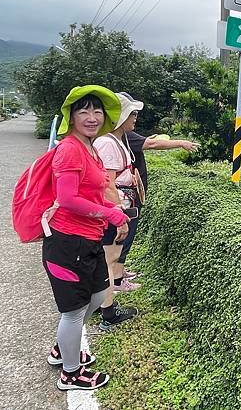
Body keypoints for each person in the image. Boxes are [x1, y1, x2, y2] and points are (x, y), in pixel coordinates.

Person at [43, 85, 129, 391]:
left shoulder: (90, 148)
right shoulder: (69, 149)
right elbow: (67, 199)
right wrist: (111, 214)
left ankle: (61, 349)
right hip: (67, 243)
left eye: (97, 111)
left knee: (94, 297)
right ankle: (70, 373)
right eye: (84, 111)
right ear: (72, 116)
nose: (91, 117)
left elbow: (90, 194)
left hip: (86, 240)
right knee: (74, 311)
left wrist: (113, 210)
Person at [117, 92, 199, 270]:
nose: (136, 117)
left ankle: (118, 274)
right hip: (125, 198)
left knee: (124, 237)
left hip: (130, 195)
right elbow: (151, 145)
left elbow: (146, 142)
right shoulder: (119, 136)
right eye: (133, 113)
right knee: (123, 237)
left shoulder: (125, 135)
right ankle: (115, 279)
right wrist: (181, 143)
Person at [93, 92, 143, 331]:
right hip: (116, 210)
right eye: (132, 113)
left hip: (121, 207)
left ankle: (102, 306)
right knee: (109, 260)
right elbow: (106, 184)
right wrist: (119, 216)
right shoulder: (107, 143)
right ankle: (108, 313)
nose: (135, 118)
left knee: (109, 259)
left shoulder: (116, 140)